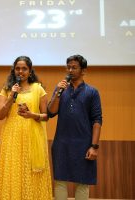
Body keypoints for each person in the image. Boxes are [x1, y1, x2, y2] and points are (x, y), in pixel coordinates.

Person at [0, 56, 53, 200]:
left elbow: (46, 116)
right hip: (12, 135)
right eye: (17, 68)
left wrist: (32, 115)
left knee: (30, 172)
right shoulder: (7, 90)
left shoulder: (38, 89)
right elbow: (0, 115)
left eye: (24, 69)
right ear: (13, 71)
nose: (21, 71)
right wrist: (11, 97)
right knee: (13, 171)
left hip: (32, 136)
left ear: (30, 71)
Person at [47, 55, 102, 200]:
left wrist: (94, 146)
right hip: (61, 143)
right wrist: (58, 93)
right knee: (59, 181)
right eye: (68, 67)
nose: (70, 70)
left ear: (83, 70)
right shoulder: (60, 89)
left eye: (74, 67)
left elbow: (97, 120)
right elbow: (51, 112)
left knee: (82, 182)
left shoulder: (92, 92)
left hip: (83, 144)